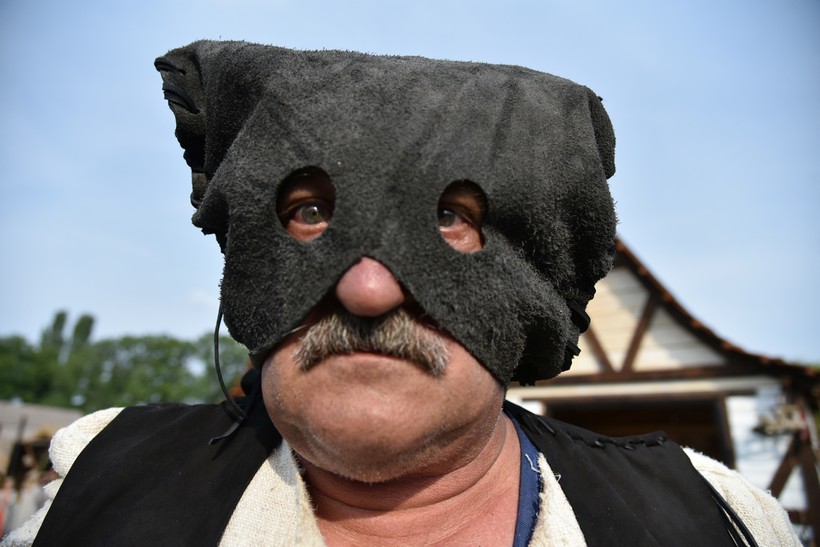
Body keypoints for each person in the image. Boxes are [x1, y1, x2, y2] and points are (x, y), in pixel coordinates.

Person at [3, 41, 798, 546]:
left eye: (451, 220)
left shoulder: (715, 522)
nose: (367, 287)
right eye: (310, 215)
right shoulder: (91, 497)